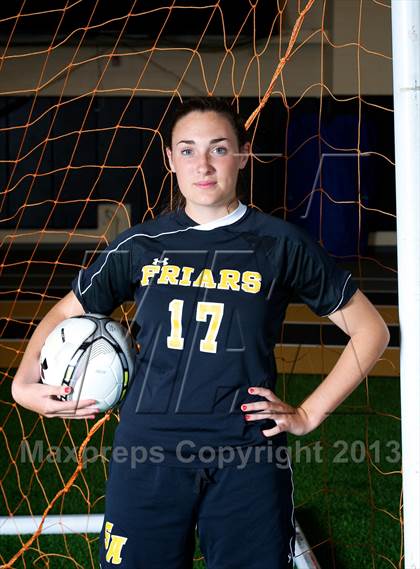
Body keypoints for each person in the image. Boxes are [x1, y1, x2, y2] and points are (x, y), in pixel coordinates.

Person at [12, 97, 390, 569]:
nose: (203, 164)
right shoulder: (140, 244)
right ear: (170, 160)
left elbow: (371, 331)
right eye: (188, 150)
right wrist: (22, 383)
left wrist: (309, 414)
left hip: (246, 455)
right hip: (147, 452)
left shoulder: (280, 243)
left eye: (219, 148)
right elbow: (65, 312)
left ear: (243, 154)